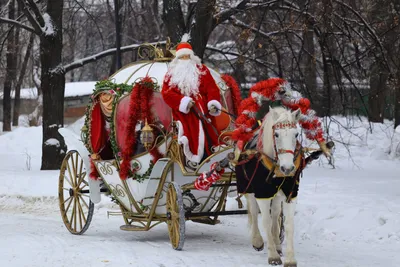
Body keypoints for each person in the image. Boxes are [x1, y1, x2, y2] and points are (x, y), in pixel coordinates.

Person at [161, 36, 222, 163]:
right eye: (182, 57)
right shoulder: (171, 74)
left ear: (191, 57)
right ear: (177, 58)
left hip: (204, 110)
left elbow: (212, 88)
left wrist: (212, 102)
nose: (185, 60)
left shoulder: (201, 70)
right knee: (192, 130)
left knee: (210, 130)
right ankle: (196, 158)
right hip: (184, 113)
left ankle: (211, 155)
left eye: (187, 56)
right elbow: (167, 94)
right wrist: (184, 102)